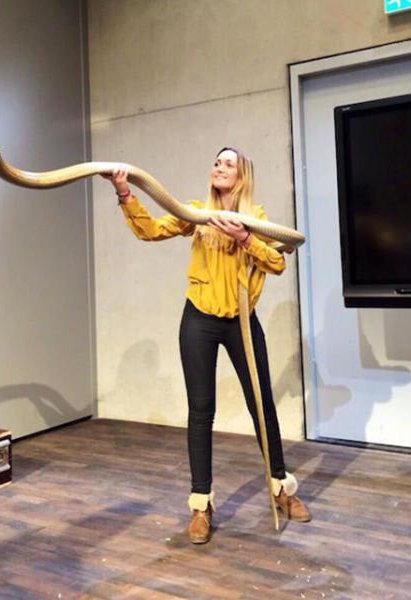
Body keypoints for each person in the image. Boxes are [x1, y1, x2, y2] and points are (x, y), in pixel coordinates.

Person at [102, 147, 311, 544]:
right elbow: (150, 230)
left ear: (242, 176)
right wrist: (125, 193)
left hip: (241, 321)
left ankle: (280, 489)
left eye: (228, 163)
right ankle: (201, 506)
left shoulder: (257, 218)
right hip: (199, 319)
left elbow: (277, 262)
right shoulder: (196, 213)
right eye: (217, 162)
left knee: (262, 405)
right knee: (201, 411)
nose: (219, 167)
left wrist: (245, 237)